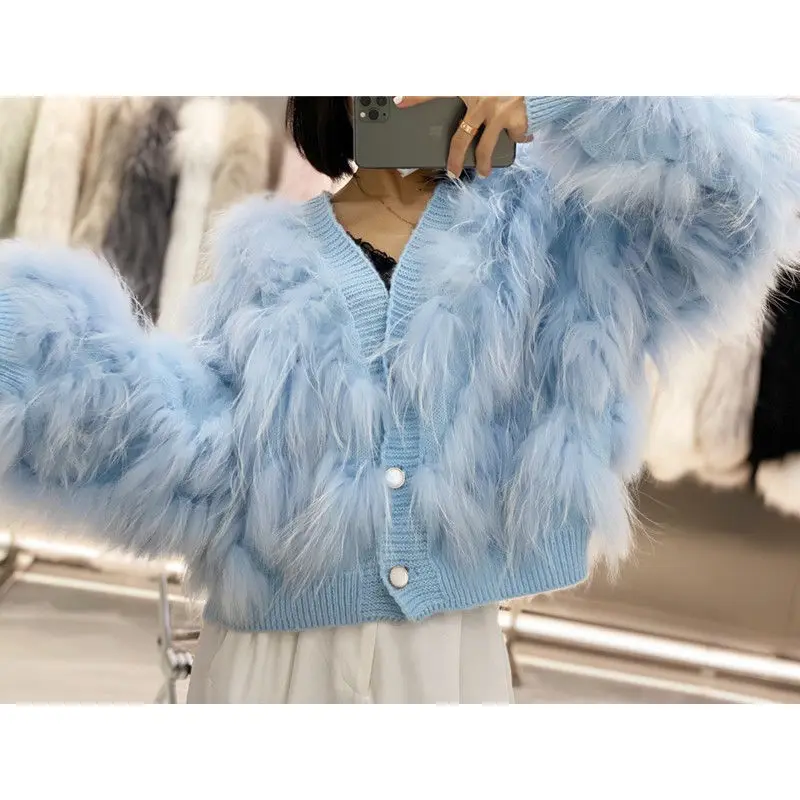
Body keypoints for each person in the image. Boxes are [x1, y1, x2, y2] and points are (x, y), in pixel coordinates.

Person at [1, 96, 799, 703]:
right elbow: (210, 458)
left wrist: (557, 101)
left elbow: (741, 190)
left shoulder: (557, 231)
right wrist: (52, 359)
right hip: (270, 663)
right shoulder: (267, 256)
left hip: (444, 659)